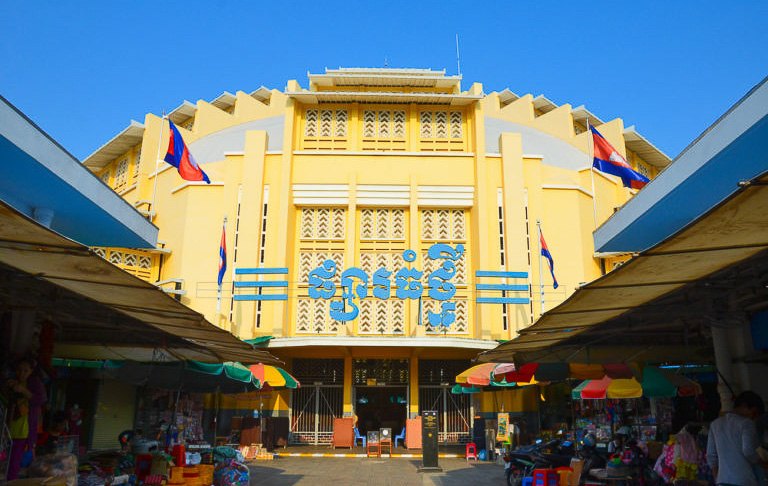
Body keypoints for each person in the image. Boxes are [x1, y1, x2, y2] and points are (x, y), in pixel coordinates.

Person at [706, 390, 768, 486]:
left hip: (722, 481)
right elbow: (748, 451)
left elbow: (711, 456)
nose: (753, 418)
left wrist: (718, 478)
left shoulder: (715, 424)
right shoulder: (746, 423)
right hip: (744, 481)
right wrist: (765, 465)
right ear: (744, 406)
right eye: (754, 413)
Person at [4, 358, 45, 480]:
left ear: (31, 371)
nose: (21, 373)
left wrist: (23, 390)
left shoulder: (33, 384)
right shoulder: (11, 382)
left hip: (22, 430)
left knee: (15, 461)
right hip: (7, 429)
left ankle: (10, 482)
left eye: (25, 371)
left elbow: (39, 400)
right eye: (19, 370)